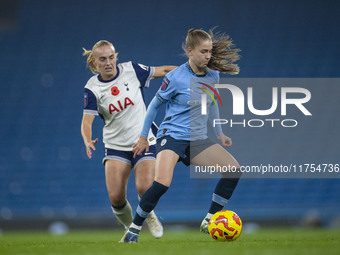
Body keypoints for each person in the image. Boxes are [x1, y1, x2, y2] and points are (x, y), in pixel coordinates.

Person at [121, 28, 242, 243]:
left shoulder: (213, 74)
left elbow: (212, 101)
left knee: (233, 170)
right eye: (204, 51)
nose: (208, 56)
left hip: (197, 138)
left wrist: (220, 133)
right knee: (162, 184)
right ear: (190, 51)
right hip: (172, 136)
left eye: (210, 51)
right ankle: (133, 230)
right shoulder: (175, 77)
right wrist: (142, 136)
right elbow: (153, 106)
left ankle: (210, 219)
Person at [80, 40, 176, 240]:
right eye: (103, 59)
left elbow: (164, 70)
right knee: (116, 197)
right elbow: (87, 121)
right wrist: (87, 140)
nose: (108, 62)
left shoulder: (131, 70)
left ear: (116, 56)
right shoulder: (92, 87)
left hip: (144, 139)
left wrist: (190, 73)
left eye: (112, 57)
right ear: (95, 62)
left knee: (145, 187)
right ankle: (129, 227)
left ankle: (148, 214)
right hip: (115, 145)